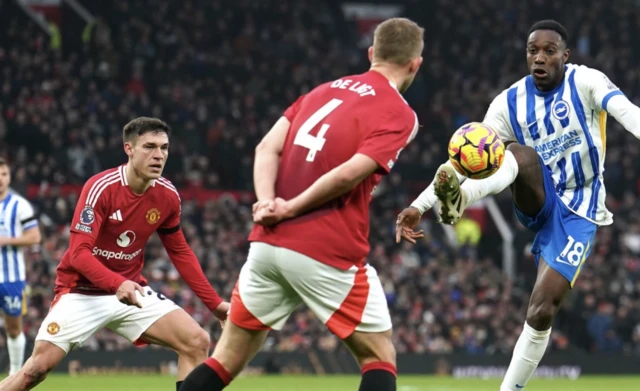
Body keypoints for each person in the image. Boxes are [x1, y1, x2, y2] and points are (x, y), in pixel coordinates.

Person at [179, 17, 424, 391]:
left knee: (225, 360)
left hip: (265, 244)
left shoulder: (319, 92)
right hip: (325, 247)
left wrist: (266, 204)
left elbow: (266, 147)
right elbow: (347, 175)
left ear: (372, 53)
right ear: (415, 64)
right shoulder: (400, 113)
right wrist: (291, 207)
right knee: (378, 356)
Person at [396, 20, 640, 391]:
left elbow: (627, 112)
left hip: (582, 209)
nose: (539, 58)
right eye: (532, 51)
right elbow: (464, 159)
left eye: (549, 51)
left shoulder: (586, 81)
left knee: (542, 310)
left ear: (565, 55)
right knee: (517, 154)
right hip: (538, 196)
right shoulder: (508, 103)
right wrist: (420, 204)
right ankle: (460, 200)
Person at [0, 117, 229, 391]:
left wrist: (216, 305)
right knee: (34, 371)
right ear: (129, 149)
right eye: (149, 147)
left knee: (196, 341)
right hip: (82, 292)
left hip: (129, 292)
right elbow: (78, 255)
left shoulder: (167, 195)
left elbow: (180, 251)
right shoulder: (101, 188)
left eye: (164, 148)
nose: (159, 155)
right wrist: (117, 283)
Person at [0, 158, 41, 376]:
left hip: (11, 279)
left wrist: (5, 240)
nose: (0, 178)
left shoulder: (19, 205)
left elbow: (35, 236)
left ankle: (15, 374)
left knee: (13, 328)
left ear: (9, 177)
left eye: (4, 174)